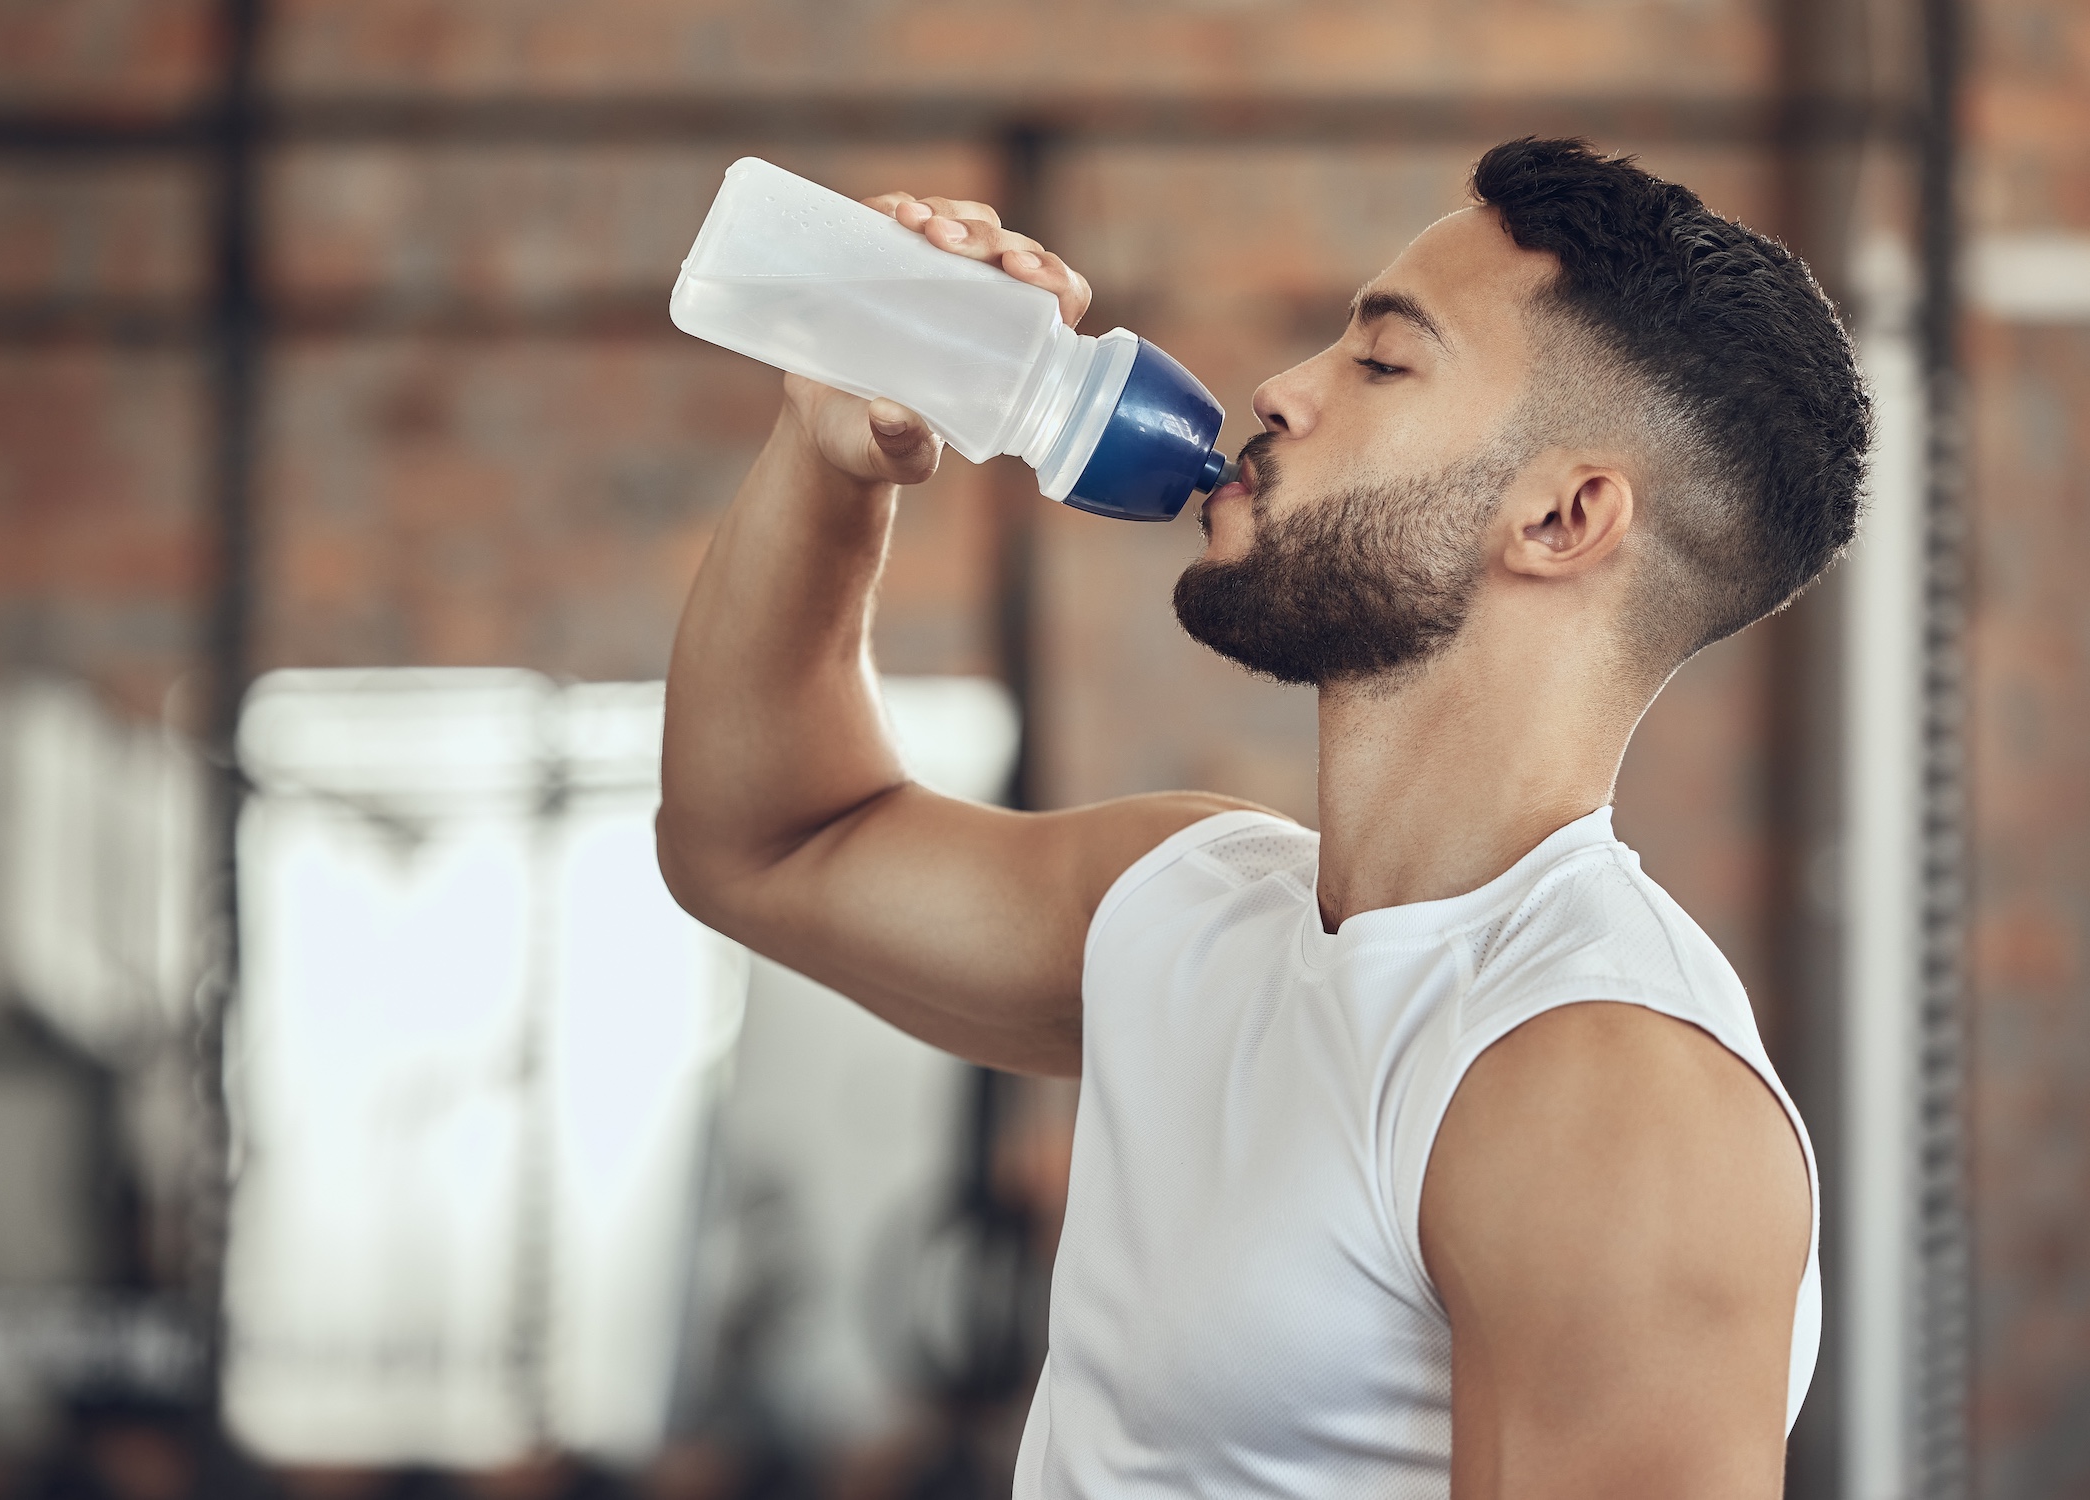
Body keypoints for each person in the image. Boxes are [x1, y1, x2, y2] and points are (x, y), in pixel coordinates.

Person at [656, 137, 1868, 1500]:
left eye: (1382, 363)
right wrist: (837, 455)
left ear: (1563, 516)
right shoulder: (1198, 908)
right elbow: (761, 842)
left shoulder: (1612, 1098)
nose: (1279, 391)